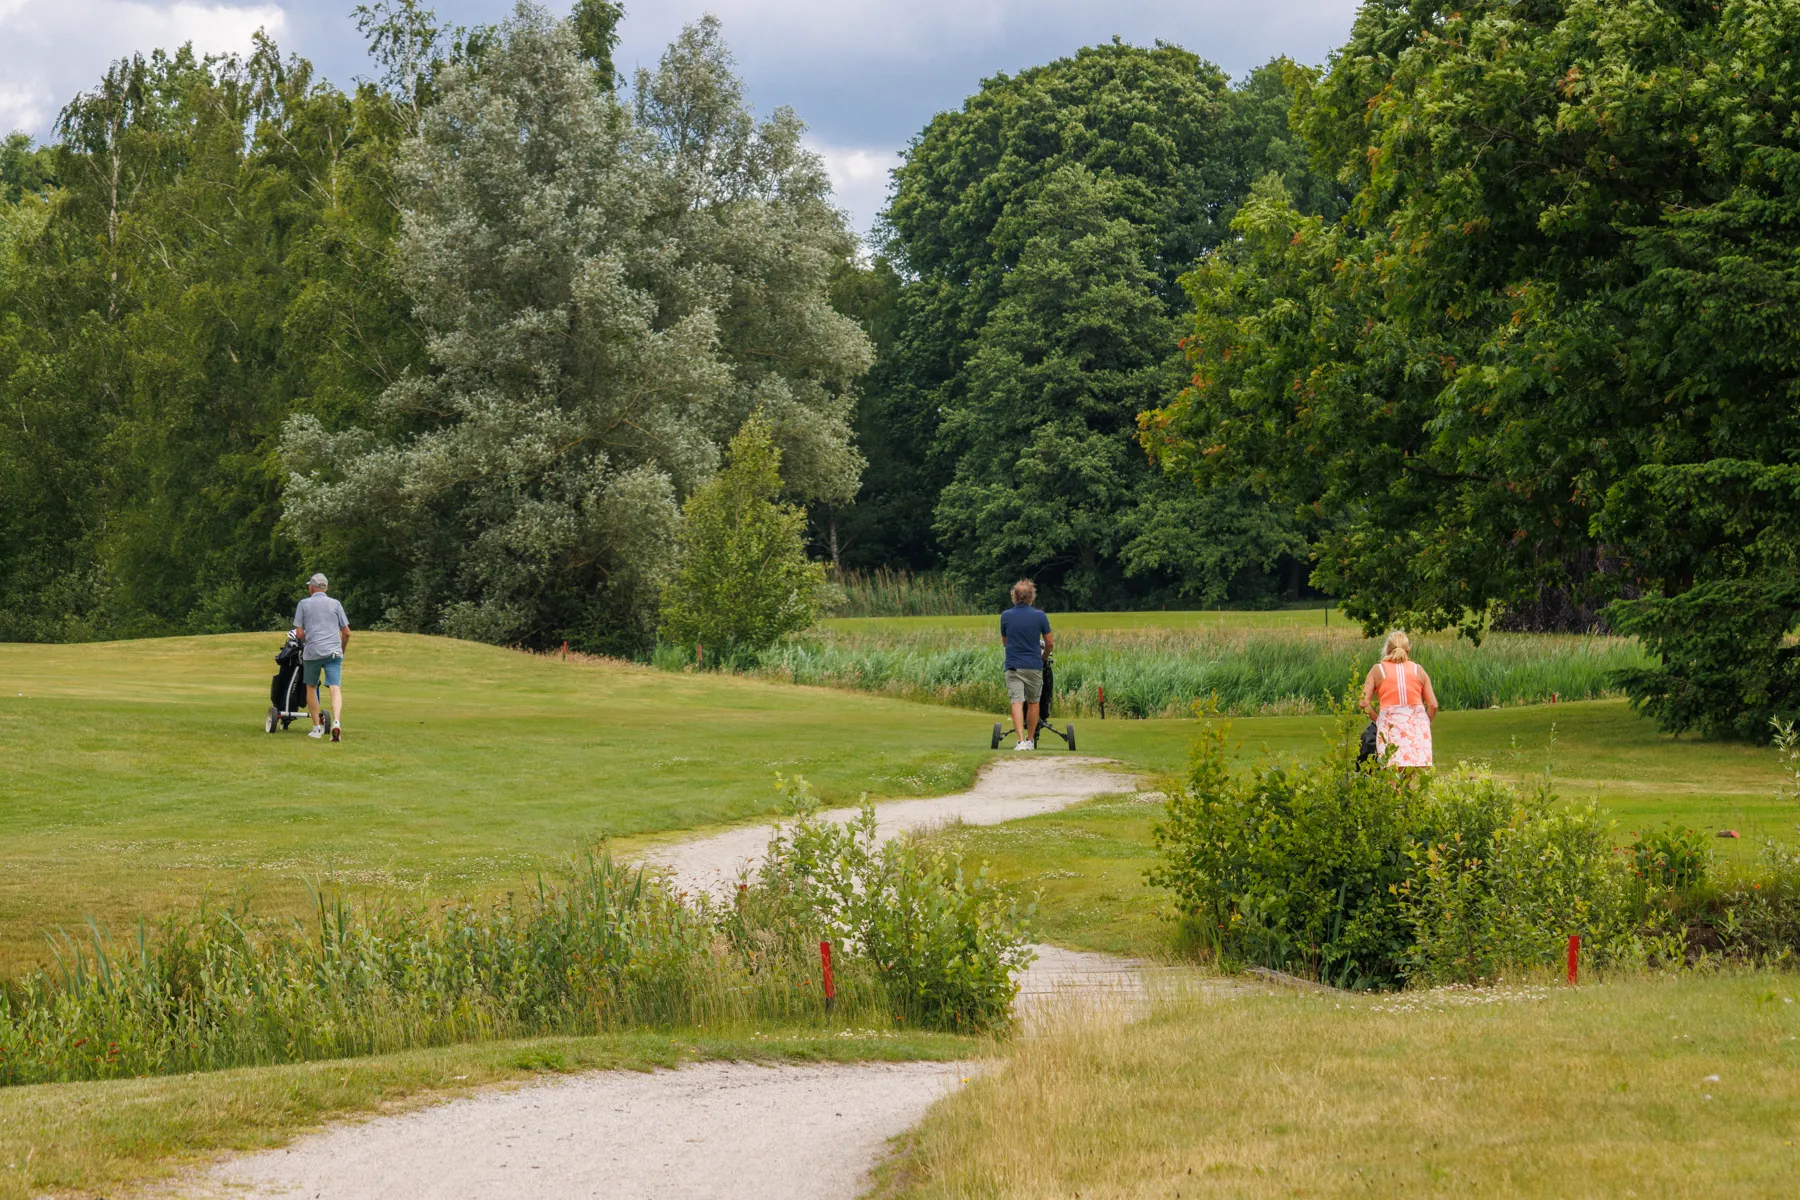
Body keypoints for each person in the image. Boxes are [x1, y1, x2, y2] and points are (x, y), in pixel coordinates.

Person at [1361, 631, 1436, 767]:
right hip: (1417, 727)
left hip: (1390, 727)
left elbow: (1363, 702)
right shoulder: (1418, 670)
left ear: (1387, 649)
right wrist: (1425, 722)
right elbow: (1433, 705)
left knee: (1392, 773)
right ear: (1408, 650)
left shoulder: (1378, 670)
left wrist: (1378, 719)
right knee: (1413, 774)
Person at [293, 572, 350, 742]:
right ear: (326, 588)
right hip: (334, 652)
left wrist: (308, 639)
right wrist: (341, 650)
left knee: (311, 686)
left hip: (313, 652)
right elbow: (346, 632)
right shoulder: (336, 604)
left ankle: (317, 728)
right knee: (335, 687)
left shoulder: (304, 604)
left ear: (312, 587)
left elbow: (299, 633)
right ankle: (336, 721)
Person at [999, 579, 1053, 750]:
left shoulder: (1006, 616)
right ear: (1031, 596)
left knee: (1016, 702)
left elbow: (1005, 642)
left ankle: (1020, 741)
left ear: (1014, 596)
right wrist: (1043, 658)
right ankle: (1030, 740)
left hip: (1013, 665)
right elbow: (1049, 643)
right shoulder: (1040, 616)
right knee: (1033, 702)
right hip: (1034, 666)